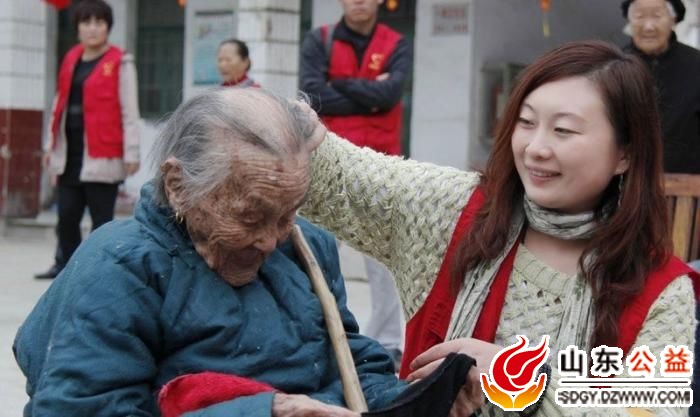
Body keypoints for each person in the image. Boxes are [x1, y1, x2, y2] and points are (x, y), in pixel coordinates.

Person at [13, 88, 481, 417]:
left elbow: (349, 358)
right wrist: (266, 411)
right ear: (179, 186)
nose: (271, 240)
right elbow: (80, 408)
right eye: (252, 216)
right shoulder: (120, 266)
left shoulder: (306, 246)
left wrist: (408, 401)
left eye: (287, 213)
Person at [301, 40, 700, 417]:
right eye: (526, 122)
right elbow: (331, 172)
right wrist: (289, 125)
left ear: (625, 153)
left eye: (563, 130)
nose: (535, 148)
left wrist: (523, 379)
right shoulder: (451, 209)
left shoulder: (661, 291)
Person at [300, 0, 412, 365]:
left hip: (381, 164)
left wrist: (341, 85)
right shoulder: (320, 40)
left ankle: (388, 341)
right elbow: (314, 96)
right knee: (314, 249)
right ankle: (314, 332)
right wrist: (369, 94)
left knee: (382, 256)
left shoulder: (396, 43)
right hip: (327, 161)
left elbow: (390, 94)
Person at [35, 0, 140, 280]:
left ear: (108, 27)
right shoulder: (71, 58)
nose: (92, 28)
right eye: (86, 22)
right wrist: (49, 145)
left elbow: (130, 110)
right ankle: (65, 267)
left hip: (102, 151)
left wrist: (131, 152)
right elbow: (58, 103)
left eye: (99, 23)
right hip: (70, 151)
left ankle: (98, 270)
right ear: (78, 27)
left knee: (101, 220)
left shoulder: (121, 62)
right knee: (67, 215)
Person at [621, 0, 700, 174]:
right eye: (639, 16)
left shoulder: (696, 64)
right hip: (628, 180)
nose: (648, 26)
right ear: (630, 21)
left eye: (657, 16)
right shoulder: (614, 66)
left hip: (687, 182)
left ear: (673, 20)